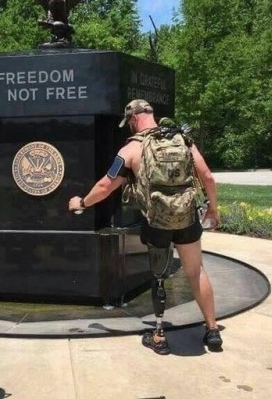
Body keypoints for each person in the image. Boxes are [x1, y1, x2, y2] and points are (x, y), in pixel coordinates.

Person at [68, 99, 222, 355]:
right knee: (196, 272)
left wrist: (81, 202)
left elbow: (107, 185)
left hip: (156, 222)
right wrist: (213, 209)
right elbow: (207, 177)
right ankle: (213, 330)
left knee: (158, 275)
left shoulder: (130, 150)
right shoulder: (182, 139)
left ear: (133, 119)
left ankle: (159, 336)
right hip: (187, 218)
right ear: (151, 114)